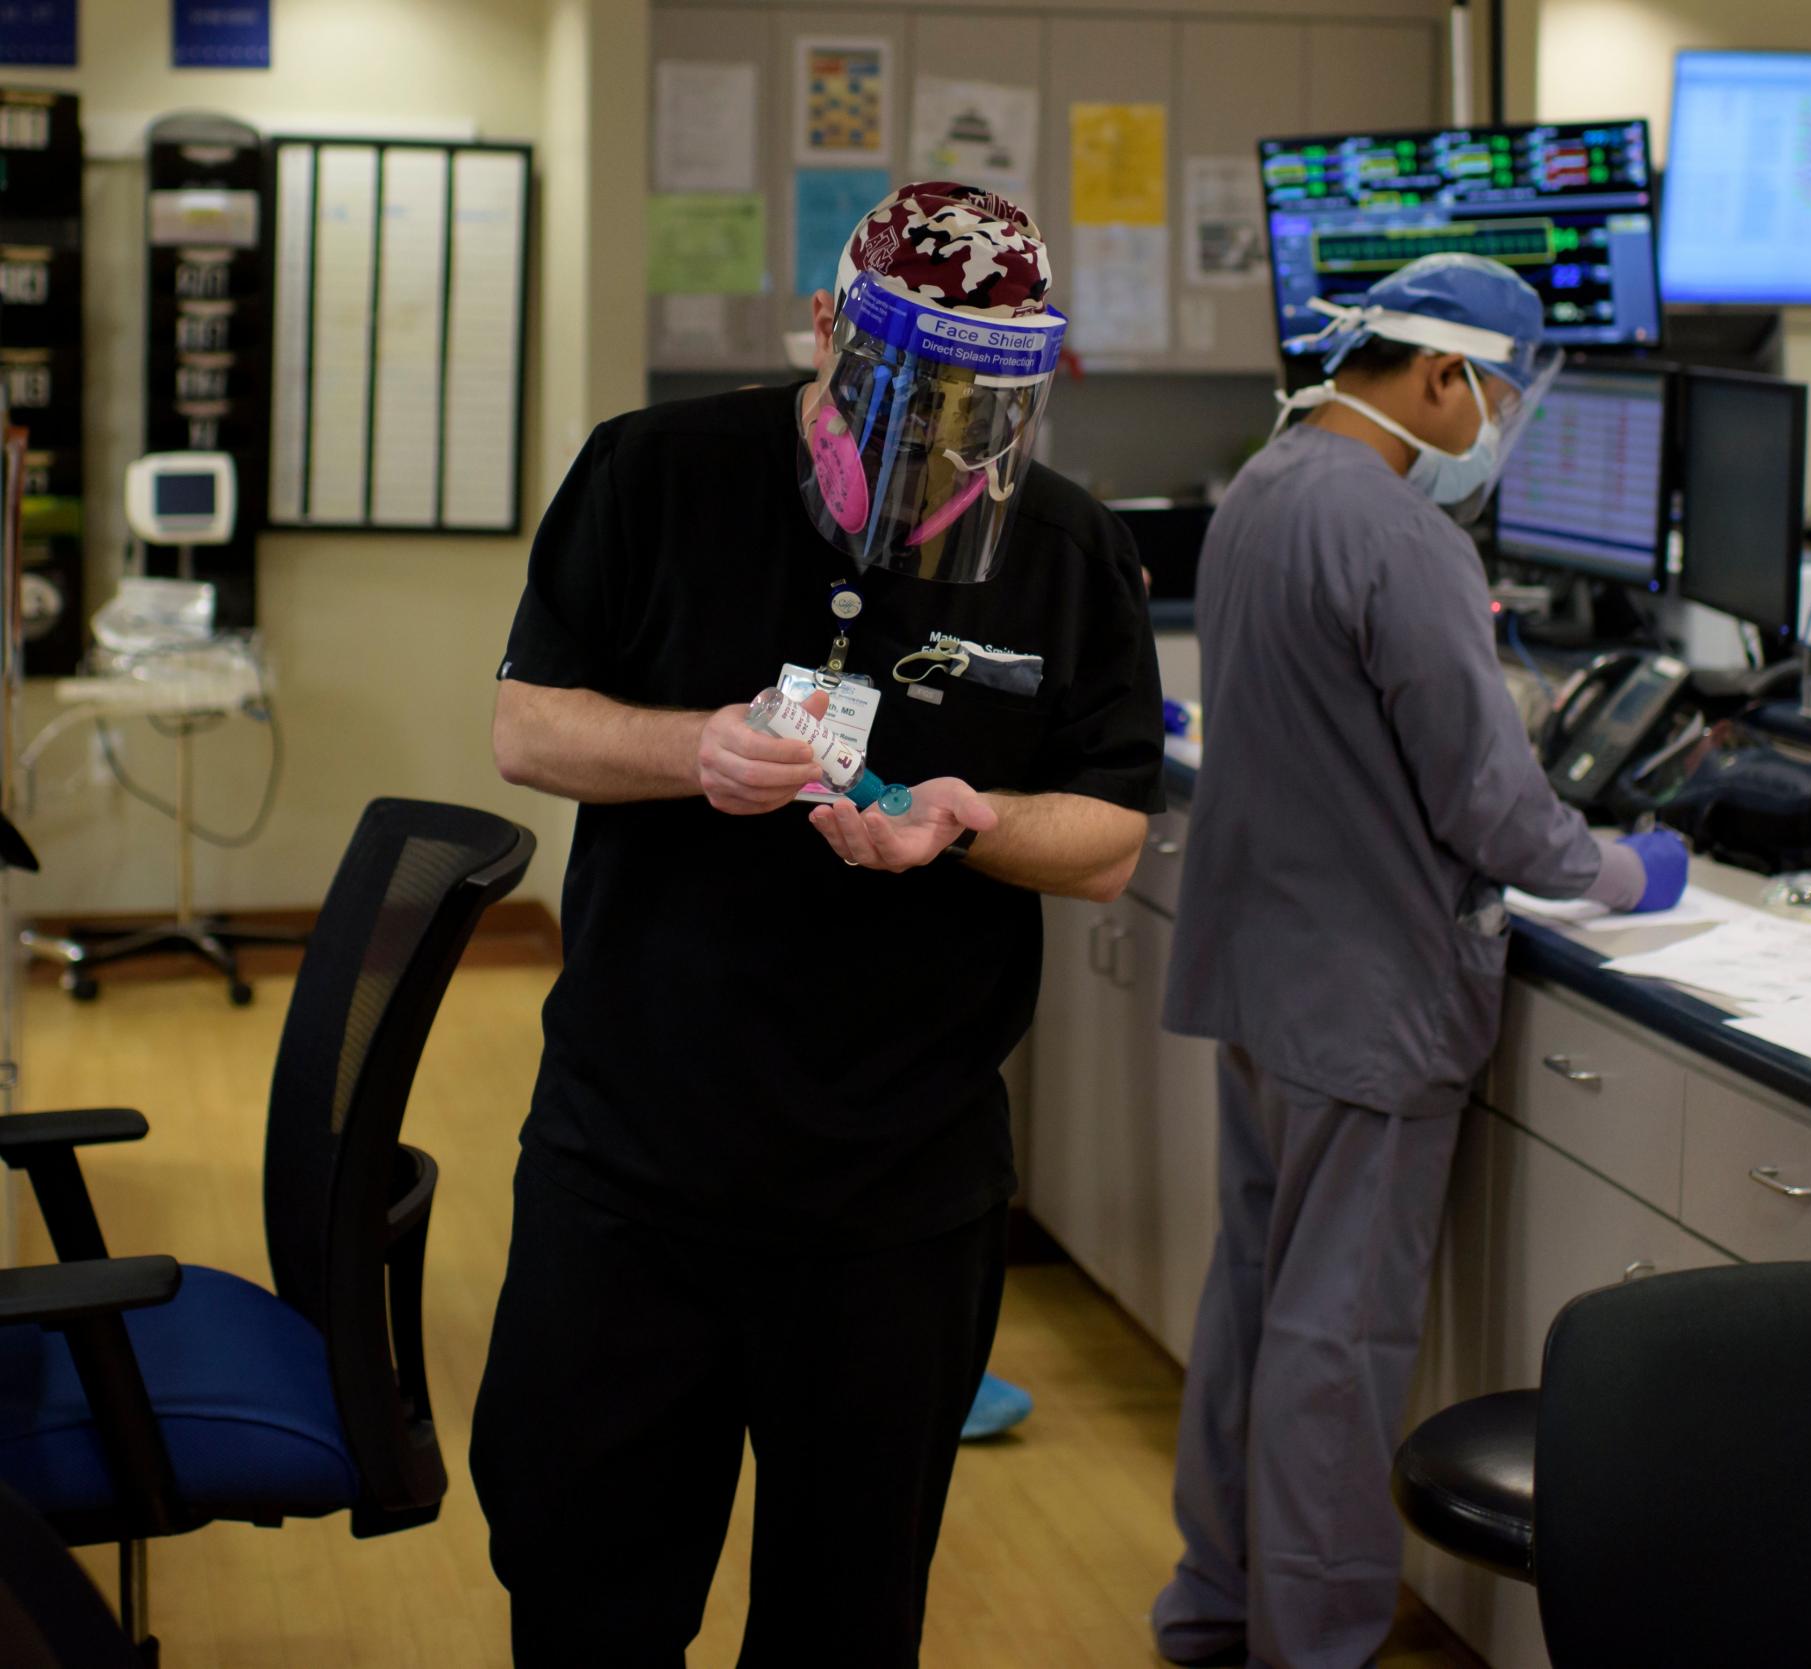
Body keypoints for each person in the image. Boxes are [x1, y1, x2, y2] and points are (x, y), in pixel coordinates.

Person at [471, 182, 1165, 1667]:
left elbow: (1107, 839)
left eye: (985, 402)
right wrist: (694, 750)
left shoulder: (1063, 546)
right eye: (912, 390)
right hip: (635, 1158)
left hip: (894, 1192)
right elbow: (525, 729)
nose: (938, 439)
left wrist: (971, 824)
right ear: (825, 329)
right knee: (586, 1588)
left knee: (846, 1620)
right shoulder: (653, 472)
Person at [1153, 253, 1687, 1669]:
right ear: (1443, 376)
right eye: (1500, 399)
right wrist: (1631, 868)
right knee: (1338, 1345)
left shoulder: (1264, 489)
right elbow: (1495, 807)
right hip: (1371, 999)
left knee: (1256, 1297)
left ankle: (1216, 1599)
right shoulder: (1400, 536)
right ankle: (1313, 1646)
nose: (1495, 435)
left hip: (1267, 978)